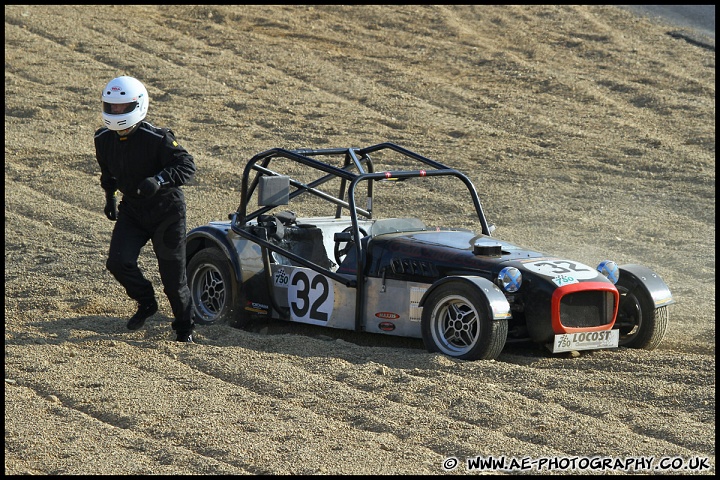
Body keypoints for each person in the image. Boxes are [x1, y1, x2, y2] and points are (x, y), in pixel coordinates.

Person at [94, 75, 197, 343]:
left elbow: (187, 166)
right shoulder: (103, 139)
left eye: (121, 107)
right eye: (111, 107)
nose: (115, 112)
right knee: (118, 262)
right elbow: (108, 173)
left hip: (167, 212)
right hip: (133, 212)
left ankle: (184, 329)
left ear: (138, 106)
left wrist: (160, 180)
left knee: (173, 279)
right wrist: (110, 197)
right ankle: (147, 302)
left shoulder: (157, 138)